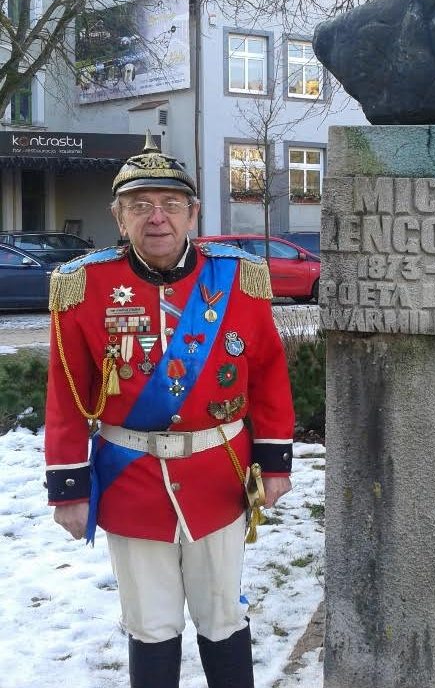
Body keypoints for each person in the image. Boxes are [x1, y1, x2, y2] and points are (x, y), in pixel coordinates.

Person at [44, 133, 294, 688]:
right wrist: (68, 487)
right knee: (150, 624)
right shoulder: (83, 285)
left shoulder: (238, 277)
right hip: (130, 481)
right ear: (118, 216)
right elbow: (65, 393)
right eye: (139, 205)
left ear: (192, 213)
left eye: (170, 204)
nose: (156, 217)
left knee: (223, 616)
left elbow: (268, 374)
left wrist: (275, 463)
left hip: (218, 475)